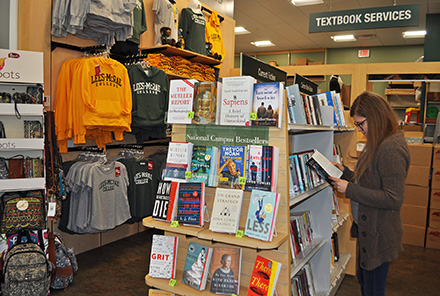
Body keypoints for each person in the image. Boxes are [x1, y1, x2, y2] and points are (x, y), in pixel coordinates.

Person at [329, 91, 410, 296]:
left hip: (379, 235)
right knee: (366, 284)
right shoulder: (379, 141)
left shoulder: (391, 148)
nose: (360, 129)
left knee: (373, 289)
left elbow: (393, 198)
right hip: (369, 231)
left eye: (361, 124)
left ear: (375, 117)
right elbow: (371, 180)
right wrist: (345, 173)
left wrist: (349, 189)